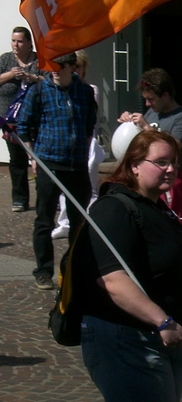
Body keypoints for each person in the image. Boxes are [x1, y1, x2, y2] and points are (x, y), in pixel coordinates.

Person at [79, 130, 182, 402]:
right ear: (133, 165)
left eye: (174, 163)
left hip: (164, 343)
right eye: (160, 162)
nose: (171, 169)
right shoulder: (113, 209)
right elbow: (112, 280)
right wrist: (162, 321)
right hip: (128, 340)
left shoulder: (158, 207)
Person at [16, 52, 96, 291]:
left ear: (72, 67)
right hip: (49, 164)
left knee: (78, 222)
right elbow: (23, 125)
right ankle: (43, 271)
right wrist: (32, 156)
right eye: (50, 66)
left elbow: (89, 124)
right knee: (44, 220)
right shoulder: (39, 91)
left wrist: (85, 150)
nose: (54, 71)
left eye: (59, 67)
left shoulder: (84, 92)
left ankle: (74, 269)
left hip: (77, 166)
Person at [118, 68, 182, 235]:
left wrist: (147, 127)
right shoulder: (153, 113)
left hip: (171, 180)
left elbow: (174, 147)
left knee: (174, 230)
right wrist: (129, 122)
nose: (148, 104)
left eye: (151, 99)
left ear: (165, 95)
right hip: (150, 178)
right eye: (146, 100)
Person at [52, 49, 105, 239]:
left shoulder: (90, 89)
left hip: (86, 142)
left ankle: (89, 221)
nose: (76, 71)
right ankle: (65, 223)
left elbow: (88, 116)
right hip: (67, 143)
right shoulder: (59, 89)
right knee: (64, 185)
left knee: (89, 184)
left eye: (79, 67)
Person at [0, 26, 43, 213]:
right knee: (17, 160)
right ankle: (19, 199)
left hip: (36, 120)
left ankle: (45, 199)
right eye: (13, 41)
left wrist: (32, 77)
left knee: (39, 159)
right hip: (9, 121)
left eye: (20, 41)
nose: (15, 45)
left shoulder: (39, 61)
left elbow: (49, 81)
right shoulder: (5, 60)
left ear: (29, 43)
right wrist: (10, 75)